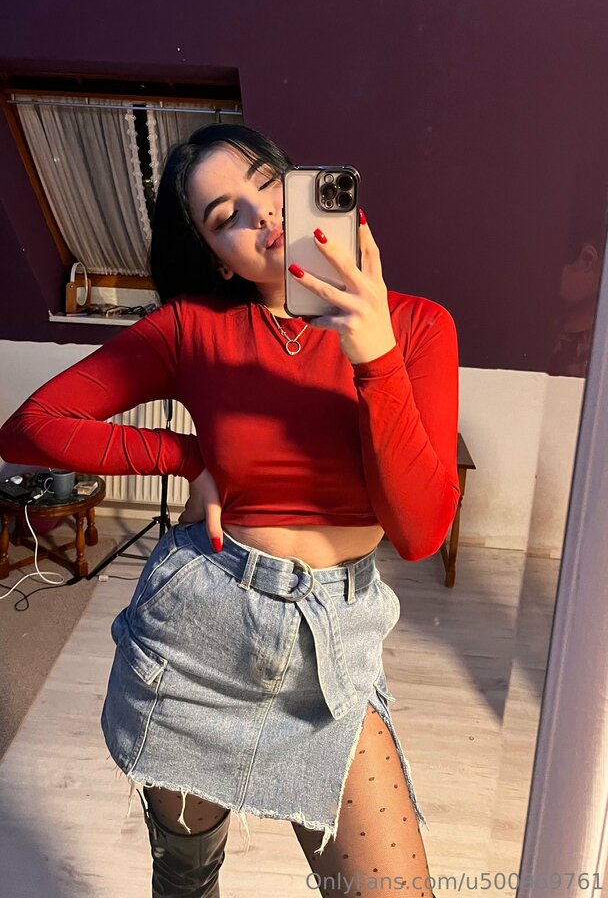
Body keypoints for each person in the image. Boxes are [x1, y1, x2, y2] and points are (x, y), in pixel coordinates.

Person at [0, 124, 460, 898]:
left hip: (334, 649)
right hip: (199, 635)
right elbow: (30, 426)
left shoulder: (417, 326)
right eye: (226, 217)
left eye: (267, 184)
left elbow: (418, 533)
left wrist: (374, 354)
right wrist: (190, 458)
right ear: (219, 258)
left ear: (302, 185)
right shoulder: (193, 329)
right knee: (187, 879)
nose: (262, 215)